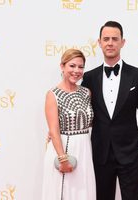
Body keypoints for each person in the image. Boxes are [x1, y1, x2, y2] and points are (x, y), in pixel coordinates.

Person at [81, 21, 138, 200]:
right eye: (106, 39)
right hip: (100, 152)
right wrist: (58, 131)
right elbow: (81, 111)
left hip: (131, 153)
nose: (110, 43)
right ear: (99, 43)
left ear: (123, 42)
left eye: (115, 39)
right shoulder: (89, 77)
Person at [42, 49, 96, 200]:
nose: (76, 71)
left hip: (84, 149)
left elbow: (89, 121)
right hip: (64, 150)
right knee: (63, 193)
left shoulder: (86, 93)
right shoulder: (52, 94)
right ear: (62, 66)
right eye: (72, 66)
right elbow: (53, 130)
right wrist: (63, 159)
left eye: (80, 67)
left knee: (83, 193)